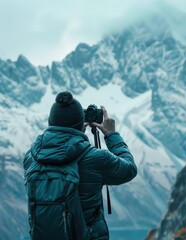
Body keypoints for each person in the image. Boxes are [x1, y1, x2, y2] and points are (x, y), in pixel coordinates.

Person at [23, 91, 137, 239]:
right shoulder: (96, 159)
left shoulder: (31, 158)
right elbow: (129, 169)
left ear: (50, 123)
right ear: (81, 126)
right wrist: (112, 135)